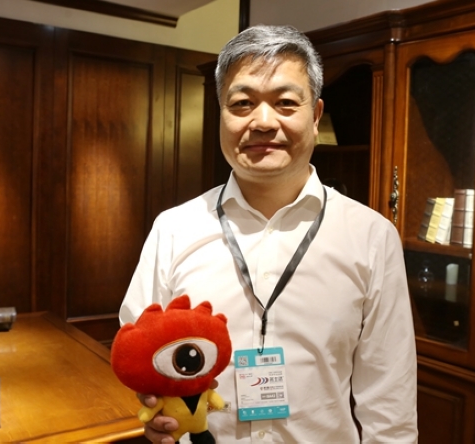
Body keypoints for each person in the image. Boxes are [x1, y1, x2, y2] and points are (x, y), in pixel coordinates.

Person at [119, 24, 418, 444]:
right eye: (242, 103)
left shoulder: (371, 237)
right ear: (221, 113)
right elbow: (139, 350)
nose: (262, 122)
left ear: (315, 115)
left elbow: (390, 400)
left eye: (285, 103)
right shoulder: (174, 229)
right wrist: (155, 410)